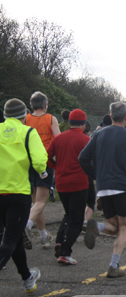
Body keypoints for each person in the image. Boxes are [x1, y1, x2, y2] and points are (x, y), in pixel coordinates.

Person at [79, 102, 126, 278]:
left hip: (104, 189)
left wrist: (96, 175)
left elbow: (83, 157)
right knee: (124, 228)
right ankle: (113, 266)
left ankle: (97, 226)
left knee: (114, 227)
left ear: (110, 114)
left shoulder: (98, 134)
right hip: (122, 187)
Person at [0, 98, 47, 292]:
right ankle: (26, 277)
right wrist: (42, 170)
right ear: (23, 116)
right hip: (18, 192)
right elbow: (38, 160)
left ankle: (28, 278)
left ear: (5, 115)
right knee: (10, 239)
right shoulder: (28, 132)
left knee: (16, 236)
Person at [47, 109, 91, 265]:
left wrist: (56, 165)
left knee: (68, 214)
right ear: (84, 123)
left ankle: (60, 241)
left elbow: (46, 156)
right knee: (77, 220)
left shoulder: (58, 138)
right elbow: (92, 161)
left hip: (61, 182)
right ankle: (65, 252)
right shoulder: (85, 140)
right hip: (79, 183)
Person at [25, 91, 60, 249]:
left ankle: (44, 236)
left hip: (28, 161)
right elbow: (58, 139)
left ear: (31, 105)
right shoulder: (51, 118)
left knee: (36, 202)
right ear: (46, 105)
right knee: (41, 201)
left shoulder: (25, 119)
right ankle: (27, 225)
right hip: (44, 161)